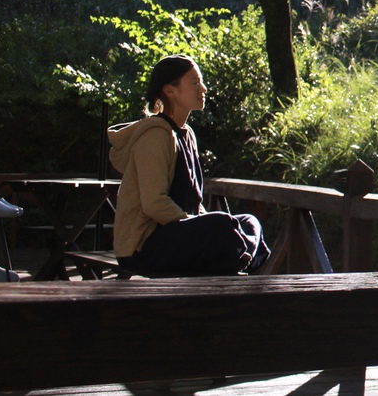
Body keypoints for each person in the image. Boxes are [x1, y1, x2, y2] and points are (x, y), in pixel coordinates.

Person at [108, 54, 269, 275]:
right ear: (169, 90)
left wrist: (199, 224)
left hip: (179, 236)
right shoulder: (154, 136)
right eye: (194, 83)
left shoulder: (187, 135)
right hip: (144, 248)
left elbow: (194, 201)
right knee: (221, 226)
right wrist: (197, 226)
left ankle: (238, 258)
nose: (202, 88)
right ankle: (238, 260)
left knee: (249, 222)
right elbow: (154, 203)